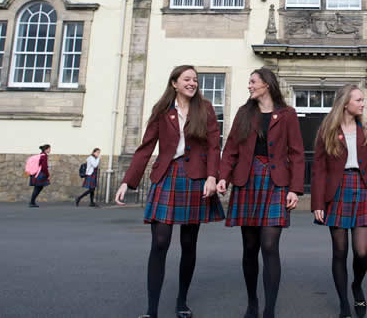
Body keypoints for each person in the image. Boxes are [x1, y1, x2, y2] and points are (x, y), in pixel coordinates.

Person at [115, 65, 224, 318]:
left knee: (189, 244)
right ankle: (151, 311)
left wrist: (211, 176)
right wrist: (127, 182)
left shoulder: (205, 108)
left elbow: (213, 144)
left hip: (195, 179)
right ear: (174, 83)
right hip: (167, 177)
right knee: (160, 242)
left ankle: (182, 302)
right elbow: (145, 147)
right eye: (187, 79)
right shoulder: (162, 110)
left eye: (195, 80)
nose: (192, 83)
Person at [216, 67, 305, 318]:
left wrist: (295, 189)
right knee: (250, 246)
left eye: (253, 82)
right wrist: (224, 177)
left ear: (267, 84)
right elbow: (231, 148)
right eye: (249, 82)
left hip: (276, 183)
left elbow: (297, 153)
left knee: (269, 245)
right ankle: (252, 301)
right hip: (248, 181)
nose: (249, 86)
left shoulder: (287, 114)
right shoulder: (245, 113)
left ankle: (269, 309)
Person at [311, 84, 367, 318]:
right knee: (339, 252)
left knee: (361, 252)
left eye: (363, 100)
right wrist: (317, 204)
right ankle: (344, 303)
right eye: (359, 100)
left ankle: (357, 285)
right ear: (346, 103)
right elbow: (319, 170)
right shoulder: (327, 130)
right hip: (338, 191)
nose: (363, 103)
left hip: (363, 190)